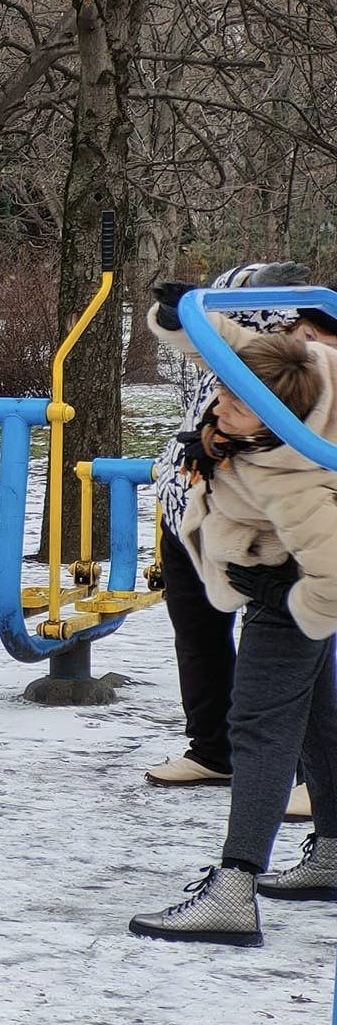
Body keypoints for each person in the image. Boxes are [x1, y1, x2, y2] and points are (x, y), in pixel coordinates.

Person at [129, 307, 337, 946]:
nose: (219, 408)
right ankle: (332, 853)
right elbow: (230, 343)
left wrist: (292, 610)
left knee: (259, 726)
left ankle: (234, 887)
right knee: (317, 720)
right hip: (275, 573)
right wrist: (178, 314)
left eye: (236, 407)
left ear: (276, 420)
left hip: (293, 588)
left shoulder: (296, 480)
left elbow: (332, 579)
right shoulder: (301, 369)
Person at [143, 264, 315, 794]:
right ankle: (214, 750)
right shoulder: (219, 348)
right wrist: (170, 313)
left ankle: (316, 775)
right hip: (191, 512)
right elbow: (179, 330)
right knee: (198, 634)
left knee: (293, 652)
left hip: (266, 521)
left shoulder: (292, 354)